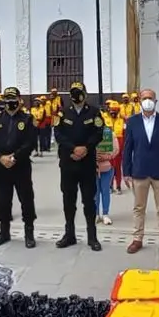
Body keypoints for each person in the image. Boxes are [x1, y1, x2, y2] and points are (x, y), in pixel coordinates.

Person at [122, 89, 159, 257]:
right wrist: (126, 171)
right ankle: (137, 239)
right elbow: (127, 149)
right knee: (139, 207)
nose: (147, 101)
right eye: (144, 98)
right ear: (139, 100)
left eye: (150, 98)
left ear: (156, 101)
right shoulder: (132, 122)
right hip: (139, 171)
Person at [53, 81, 105, 251]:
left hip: (87, 163)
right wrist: (73, 149)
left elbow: (98, 133)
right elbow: (58, 134)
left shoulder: (94, 112)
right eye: (73, 92)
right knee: (68, 200)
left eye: (79, 92)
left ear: (85, 94)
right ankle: (70, 235)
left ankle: (92, 236)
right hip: (68, 162)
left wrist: (85, 148)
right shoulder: (62, 112)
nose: (77, 95)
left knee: (89, 200)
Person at [0, 87, 38, 248]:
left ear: (19, 100)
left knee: (26, 200)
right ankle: (4, 232)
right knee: (2, 200)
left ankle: (29, 233)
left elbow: (30, 143)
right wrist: (0, 157)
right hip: (0, 166)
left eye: (13, 99)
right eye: (7, 99)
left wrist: (14, 157)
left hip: (20, 165)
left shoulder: (27, 119)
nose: (10, 102)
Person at [95, 121, 121, 226]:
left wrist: (106, 157)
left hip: (107, 167)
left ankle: (105, 214)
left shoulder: (110, 134)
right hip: (93, 168)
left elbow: (116, 149)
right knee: (95, 192)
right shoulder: (89, 133)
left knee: (105, 191)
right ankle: (96, 214)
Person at [107, 101, 126, 194]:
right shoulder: (105, 119)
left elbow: (125, 135)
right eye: (111, 110)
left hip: (119, 146)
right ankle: (110, 186)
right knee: (109, 167)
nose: (113, 112)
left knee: (117, 167)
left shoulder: (122, 120)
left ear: (118, 111)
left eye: (115, 110)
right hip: (108, 146)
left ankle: (118, 186)